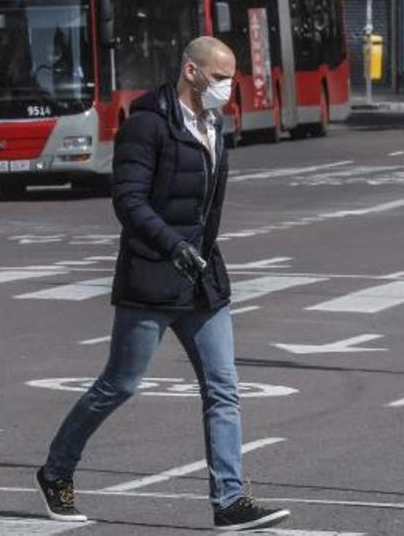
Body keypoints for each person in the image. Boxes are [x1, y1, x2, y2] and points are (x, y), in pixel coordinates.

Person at [35, 36, 290, 532]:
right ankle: (56, 470)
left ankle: (229, 500)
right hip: (153, 275)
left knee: (223, 389)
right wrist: (172, 246)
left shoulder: (214, 126)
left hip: (201, 278)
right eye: (219, 78)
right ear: (190, 72)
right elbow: (128, 201)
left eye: (230, 79)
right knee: (120, 384)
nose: (226, 88)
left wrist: (202, 256)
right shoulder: (147, 125)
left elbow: (208, 207)